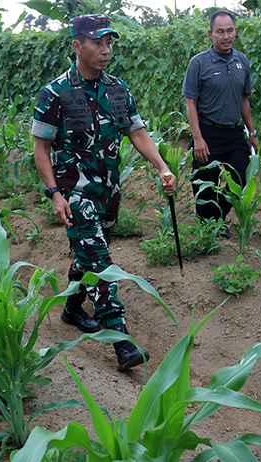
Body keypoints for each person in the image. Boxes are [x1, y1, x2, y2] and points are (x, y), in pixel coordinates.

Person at [32, 14, 176, 371]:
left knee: (89, 256)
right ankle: (122, 341)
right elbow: (41, 148)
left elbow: (136, 132)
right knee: (101, 264)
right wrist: (54, 193)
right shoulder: (55, 92)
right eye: (97, 42)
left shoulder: (117, 89)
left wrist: (162, 166)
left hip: (108, 192)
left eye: (109, 43)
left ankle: (70, 309)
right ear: (77, 45)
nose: (106, 50)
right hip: (74, 193)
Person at [182, 10, 258, 226]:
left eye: (230, 31)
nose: (226, 36)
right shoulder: (199, 63)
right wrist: (197, 138)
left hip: (234, 133)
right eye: (220, 31)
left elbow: (244, 100)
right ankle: (208, 229)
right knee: (206, 183)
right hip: (208, 132)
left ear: (236, 31)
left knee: (244, 177)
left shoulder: (241, 60)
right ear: (210, 34)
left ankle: (218, 217)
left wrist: (251, 132)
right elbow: (191, 103)